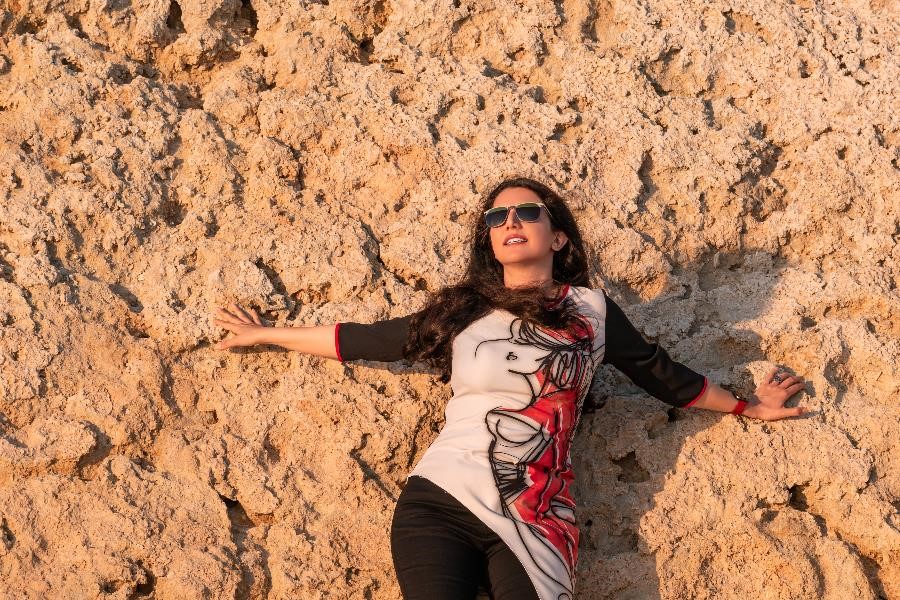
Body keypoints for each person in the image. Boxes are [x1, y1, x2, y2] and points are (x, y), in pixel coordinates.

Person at [212, 176, 808, 600]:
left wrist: (749, 406)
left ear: (559, 239)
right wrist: (270, 334)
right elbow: (367, 339)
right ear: (491, 243)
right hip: (439, 502)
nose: (511, 223)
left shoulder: (591, 311)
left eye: (527, 213)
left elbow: (662, 374)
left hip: (537, 514)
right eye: (498, 219)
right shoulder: (464, 310)